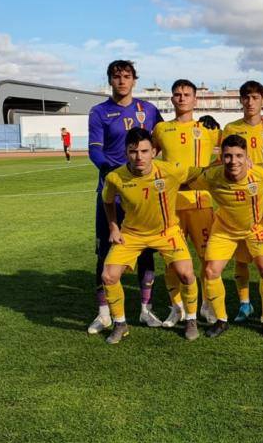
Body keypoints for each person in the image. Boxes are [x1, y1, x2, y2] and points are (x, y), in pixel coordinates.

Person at [101, 128, 199, 344]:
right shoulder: (115, 177)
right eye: (133, 151)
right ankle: (120, 324)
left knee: (186, 274)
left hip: (167, 232)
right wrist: (113, 227)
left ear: (154, 152)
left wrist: (237, 164)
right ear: (126, 152)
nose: (139, 157)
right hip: (132, 234)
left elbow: (201, 173)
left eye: (144, 151)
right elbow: (107, 201)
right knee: (108, 276)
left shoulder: (169, 170)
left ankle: (191, 319)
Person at [87, 60, 163, 335]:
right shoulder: (99, 112)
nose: (122, 81)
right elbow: (95, 150)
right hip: (111, 194)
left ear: (134, 80)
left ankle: (146, 309)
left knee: (146, 251)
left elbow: (166, 137)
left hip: (143, 195)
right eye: (116, 76)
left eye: (127, 76)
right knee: (105, 253)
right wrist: (113, 172)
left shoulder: (149, 110)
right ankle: (104, 313)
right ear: (110, 80)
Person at [186, 134, 263, 338]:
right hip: (225, 230)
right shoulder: (212, 176)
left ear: (247, 157)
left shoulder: (261, 173)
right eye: (228, 156)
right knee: (211, 271)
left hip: (256, 228)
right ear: (221, 157)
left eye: (239, 156)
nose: (233, 161)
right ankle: (221, 320)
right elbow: (184, 182)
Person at [152, 79, 220, 328]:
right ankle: (177, 307)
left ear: (195, 99)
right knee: (171, 260)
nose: (182, 98)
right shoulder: (161, 129)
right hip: (170, 206)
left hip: (201, 204)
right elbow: (148, 156)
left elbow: (234, 149)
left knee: (207, 259)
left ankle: (207, 304)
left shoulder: (208, 128)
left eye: (187, 94)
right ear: (172, 99)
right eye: (178, 94)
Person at [220, 81, 263, 324]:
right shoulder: (231, 128)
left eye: (255, 97)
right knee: (241, 257)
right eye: (246, 97)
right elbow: (223, 159)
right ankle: (245, 303)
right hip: (240, 204)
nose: (250, 102)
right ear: (240, 100)